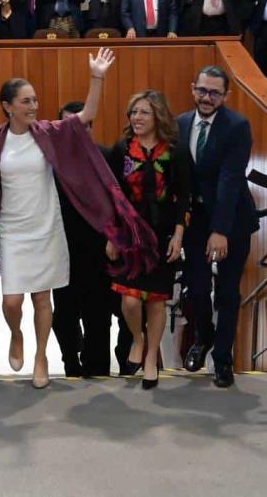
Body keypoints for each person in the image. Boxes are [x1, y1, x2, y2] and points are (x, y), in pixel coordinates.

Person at [0, 49, 156, 389]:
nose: (33, 106)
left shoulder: (49, 132)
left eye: (35, 100)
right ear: (8, 106)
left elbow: (87, 112)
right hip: (13, 229)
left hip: (47, 227)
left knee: (44, 300)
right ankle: (17, 335)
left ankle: (41, 357)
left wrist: (97, 76)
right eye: (26, 101)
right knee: (12, 301)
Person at [178, 67, 257, 388]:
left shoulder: (237, 126)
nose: (206, 98)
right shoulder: (181, 123)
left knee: (226, 292)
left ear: (226, 96)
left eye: (214, 93)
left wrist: (220, 230)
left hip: (232, 221)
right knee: (196, 288)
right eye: (201, 90)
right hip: (195, 221)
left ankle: (223, 359)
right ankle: (203, 337)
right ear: (193, 88)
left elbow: (229, 179)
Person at [104, 90, 187, 389]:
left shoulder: (175, 151)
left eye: (143, 113)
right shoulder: (122, 149)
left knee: (157, 302)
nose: (136, 118)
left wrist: (179, 234)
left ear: (158, 116)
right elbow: (112, 195)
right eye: (133, 112)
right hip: (130, 235)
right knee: (129, 300)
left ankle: (151, 357)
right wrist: (112, 235)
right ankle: (137, 340)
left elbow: (183, 197)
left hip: (163, 235)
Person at [50, 101, 115, 377]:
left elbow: (119, 203)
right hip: (60, 251)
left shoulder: (106, 157)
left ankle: (97, 368)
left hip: (99, 251)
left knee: (98, 315)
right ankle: (70, 361)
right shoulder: (49, 164)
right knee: (63, 316)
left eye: (84, 125)